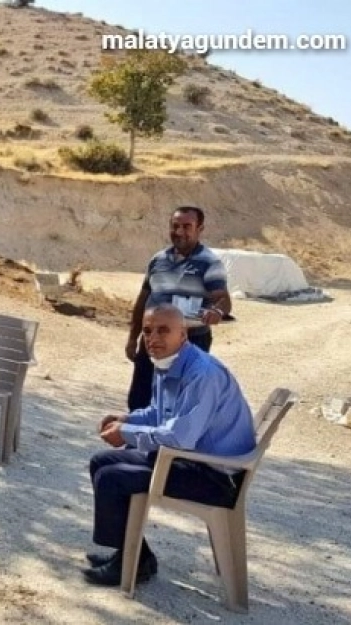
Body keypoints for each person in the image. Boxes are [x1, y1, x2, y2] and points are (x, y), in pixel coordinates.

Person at [84, 304, 256, 586]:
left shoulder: (202, 374)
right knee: (101, 462)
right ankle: (135, 557)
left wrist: (127, 434)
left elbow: (180, 437)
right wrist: (127, 419)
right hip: (192, 460)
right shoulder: (169, 362)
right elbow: (159, 413)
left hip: (216, 477)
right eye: (147, 331)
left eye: (163, 330)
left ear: (183, 335)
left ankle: (130, 563)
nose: (153, 338)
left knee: (112, 478)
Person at [125, 206, 232, 411]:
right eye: (175, 226)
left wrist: (217, 311)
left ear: (200, 229)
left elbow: (223, 299)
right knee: (140, 399)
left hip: (190, 343)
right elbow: (143, 301)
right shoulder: (157, 260)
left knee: (178, 402)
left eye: (187, 226)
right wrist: (132, 338)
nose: (180, 232)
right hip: (152, 340)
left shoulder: (210, 263)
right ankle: (138, 432)